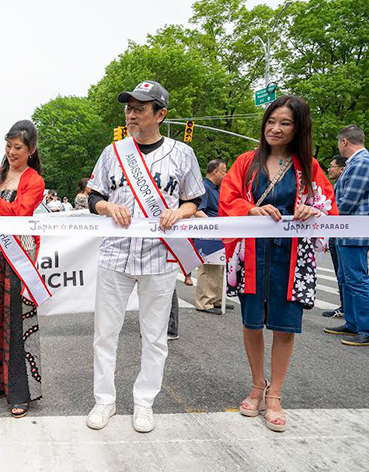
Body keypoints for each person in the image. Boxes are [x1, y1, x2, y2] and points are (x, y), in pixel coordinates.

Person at [86, 80, 205, 433]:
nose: (131, 113)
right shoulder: (114, 152)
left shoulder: (182, 153)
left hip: (160, 256)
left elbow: (195, 198)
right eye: (128, 107)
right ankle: (104, 401)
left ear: (161, 114)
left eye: (140, 108)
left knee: (154, 336)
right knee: (105, 333)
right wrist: (108, 206)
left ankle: (144, 402)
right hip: (115, 254)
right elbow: (93, 197)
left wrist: (181, 212)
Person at [220, 95, 337, 433]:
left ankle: (276, 395)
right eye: (271, 121)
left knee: (286, 325)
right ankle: (257, 385)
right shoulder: (246, 161)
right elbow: (228, 199)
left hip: (292, 257)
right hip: (252, 254)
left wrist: (312, 210)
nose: (275, 128)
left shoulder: (309, 167)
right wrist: (251, 209)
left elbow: (327, 204)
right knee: (251, 321)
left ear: (298, 128)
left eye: (285, 123)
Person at [0, 120, 46, 418]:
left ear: (30, 150)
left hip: (19, 255)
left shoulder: (34, 181)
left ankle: (19, 391)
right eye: (8, 146)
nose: (11, 152)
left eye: (18, 147)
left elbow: (20, 212)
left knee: (16, 318)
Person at [325, 125, 369, 346]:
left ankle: (365, 328)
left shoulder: (362, 162)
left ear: (344, 142)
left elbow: (348, 201)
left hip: (354, 232)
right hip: (345, 231)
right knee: (346, 279)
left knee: (357, 280)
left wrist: (326, 215)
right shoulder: (356, 163)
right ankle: (352, 323)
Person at [194, 159, 228, 315]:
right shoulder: (204, 188)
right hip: (208, 234)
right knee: (208, 269)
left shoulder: (215, 188)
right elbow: (197, 210)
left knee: (218, 268)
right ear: (215, 171)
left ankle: (216, 299)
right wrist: (212, 225)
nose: (225, 174)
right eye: (223, 171)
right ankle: (204, 302)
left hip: (218, 233)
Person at [322, 156, 347, 318]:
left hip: (344, 234)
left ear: (342, 169)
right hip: (336, 234)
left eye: (332, 167)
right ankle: (344, 306)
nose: (329, 169)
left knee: (347, 274)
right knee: (341, 274)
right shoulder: (337, 184)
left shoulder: (345, 184)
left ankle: (346, 308)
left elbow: (340, 208)